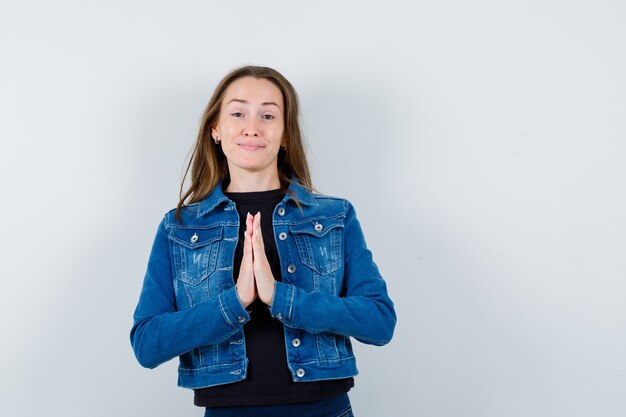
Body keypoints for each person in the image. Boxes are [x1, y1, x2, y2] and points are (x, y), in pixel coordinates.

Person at [130, 65, 396, 417]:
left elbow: (379, 322)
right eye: (238, 113)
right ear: (216, 129)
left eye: (268, 115)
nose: (252, 128)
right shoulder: (178, 227)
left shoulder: (334, 217)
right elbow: (148, 344)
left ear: (286, 134)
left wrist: (281, 297)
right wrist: (236, 301)